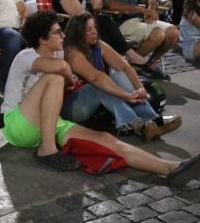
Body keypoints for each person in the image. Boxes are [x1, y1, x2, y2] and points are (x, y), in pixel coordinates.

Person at [0, 10, 200, 184]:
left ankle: (172, 168)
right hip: (17, 123)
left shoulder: (59, 51)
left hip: (49, 122)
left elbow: (119, 66)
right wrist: (69, 77)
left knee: (107, 140)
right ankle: (47, 150)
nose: (63, 36)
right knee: (55, 77)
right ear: (42, 39)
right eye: (57, 33)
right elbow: (62, 68)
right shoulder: (25, 56)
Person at [62, 13, 182, 141]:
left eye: (94, 27)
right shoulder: (71, 52)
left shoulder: (99, 46)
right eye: (88, 29)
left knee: (120, 76)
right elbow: (96, 78)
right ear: (77, 32)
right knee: (100, 86)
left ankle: (153, 121)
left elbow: (126, 67)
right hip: (72, 106)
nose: (94, 32)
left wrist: (140, 89)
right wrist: (126, 95)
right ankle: (139, 127)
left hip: (96, 100)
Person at [53, 0, 150, 67]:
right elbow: (80, 15)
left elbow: (97, 6)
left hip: (89, 24)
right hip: (74, 27)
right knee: (104, 22)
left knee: (104, 26)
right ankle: (126, 58)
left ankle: (115, 65)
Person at [97, 0, 175, 79]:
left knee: (173, 32)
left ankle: (146, 64)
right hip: (120, 23)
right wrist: (141, 10)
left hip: (140, 20)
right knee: (158, 34)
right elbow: (111, 5)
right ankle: (133, 66)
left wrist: (150, 10)